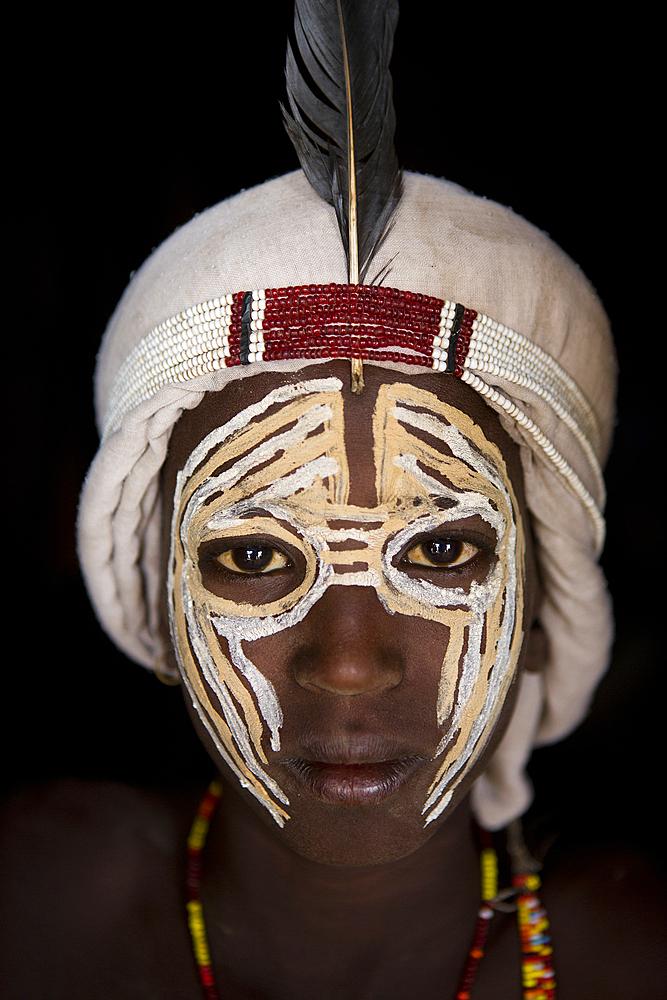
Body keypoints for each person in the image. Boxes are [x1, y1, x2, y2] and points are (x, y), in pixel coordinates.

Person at [2, 6, 665, 999]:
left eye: (442, 553)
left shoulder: (634, 958)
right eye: (255, 556)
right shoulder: (32, 903)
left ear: (542, 601)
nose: (349, 661)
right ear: (158, 609)